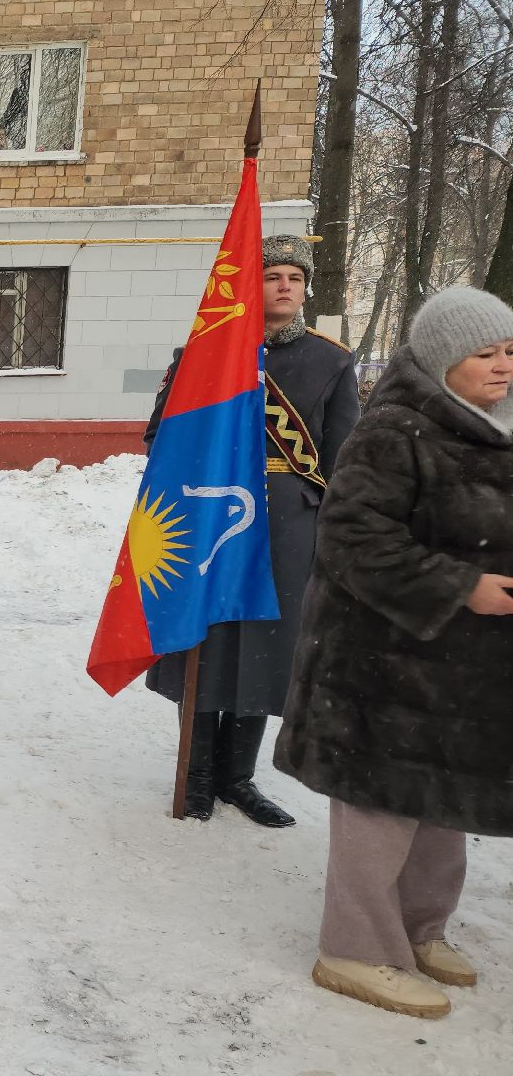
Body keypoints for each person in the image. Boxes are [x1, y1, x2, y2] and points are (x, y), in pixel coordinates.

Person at [275, 287, 513, 1018]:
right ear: (444, 361)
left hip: (460, 672)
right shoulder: (394, 431)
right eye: (486, 354)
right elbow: (351, 542)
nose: (504, 366)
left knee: (442, 804)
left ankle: (420, 930)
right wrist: (459, 586)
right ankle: (354, 949)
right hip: (379, 665)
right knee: (379, 813)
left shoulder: (498, 425)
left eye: (511, 350)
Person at [144, 233, 360, 826]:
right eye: (272, 276)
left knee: (267, 646)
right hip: (213, 517)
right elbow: (160, 438)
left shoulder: (330, 360)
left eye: (294, 277)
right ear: (250, 285)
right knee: (207, 641)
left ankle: (239, 778)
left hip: (290, 524)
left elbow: (344, 453)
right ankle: (198, 774)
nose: (285, 285)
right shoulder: (205, 352)